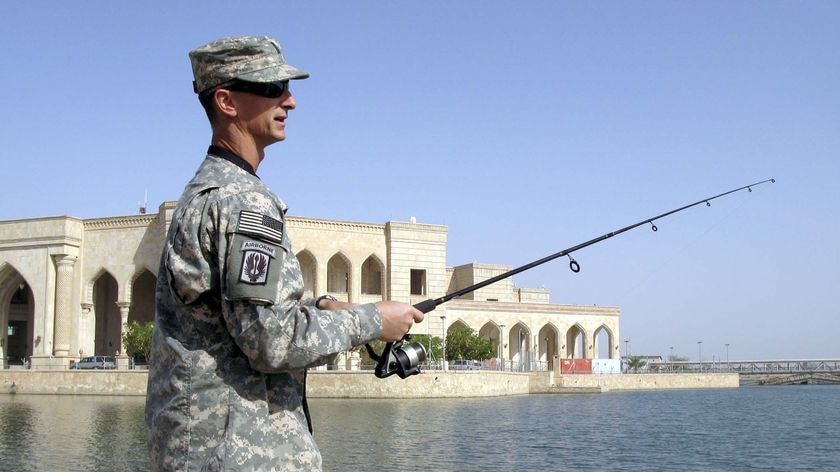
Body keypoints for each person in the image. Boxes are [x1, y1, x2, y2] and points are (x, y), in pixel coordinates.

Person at [145, 35, 424, 471]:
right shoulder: (243, 202)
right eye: (273, 88)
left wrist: (325, 307)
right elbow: (270, 342)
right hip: (237, 452)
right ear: (227, 101)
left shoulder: (209, 193)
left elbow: (233, 317)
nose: (290, 101)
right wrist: (373, 321)